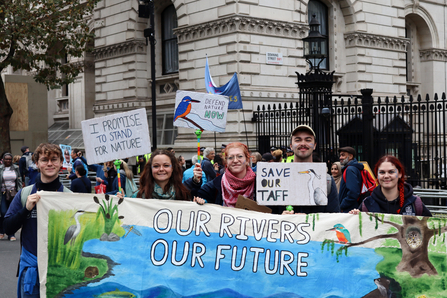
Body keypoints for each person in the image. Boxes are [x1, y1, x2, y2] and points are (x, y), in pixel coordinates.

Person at [4, 143, 72, 297]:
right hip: (31, 272)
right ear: (37, 164)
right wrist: (25, 209)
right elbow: (7, 228)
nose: (49, 164)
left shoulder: (69, 197)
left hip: (59, 271)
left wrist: (117, 202)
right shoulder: (25, 194)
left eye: (54, 159)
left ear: (61, 163)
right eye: (44, 160)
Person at [279, 125, 340, 215]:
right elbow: (263, 217)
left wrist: (310, 220)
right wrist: (280, 218)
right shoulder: (278, 178)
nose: (303, 143)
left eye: (308, 140)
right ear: (291, 146)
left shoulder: (327, 181)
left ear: (314, 145)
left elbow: (334, 218)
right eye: (298, 140)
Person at [349, 155, 432, 216]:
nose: (386, 176)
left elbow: (431, 230)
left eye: (391, 172)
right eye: (382, 172)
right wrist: (355, 217)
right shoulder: (367, 204)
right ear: (377, 175)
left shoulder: (415, 203)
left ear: (400, 174)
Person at [195, 142, 256, 207]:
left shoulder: (259, 183)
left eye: (240, 156)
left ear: (247, 160)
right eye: (230, 157)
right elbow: (196, 195)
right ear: (226, 161)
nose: (235, 160)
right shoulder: (216, 184)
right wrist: (195, 182)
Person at [134, 149, 203, 202]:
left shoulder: (183, 194)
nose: (161, 169)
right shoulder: (138, 196)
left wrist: (197, 205)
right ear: (150, 169)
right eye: (156, 166)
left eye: (166, 165)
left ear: (172, 168)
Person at [0, 153, 22, 241]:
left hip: (13, 193)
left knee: (12, 214)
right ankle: (2, 231)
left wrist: (20, 192)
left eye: (9, 159)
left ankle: (11, 234)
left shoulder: (16, 168)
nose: (8, 161)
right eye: (6, 159)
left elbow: (19, 180)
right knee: (3, 212)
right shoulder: (1, 169)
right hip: (3, 194)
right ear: (3, 160)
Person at [338, 146, 364, 212]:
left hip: (349, 209)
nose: (340, 157)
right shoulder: (353, 168)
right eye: (340, 155)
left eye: (343, 155)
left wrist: (342, 205)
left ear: (350, 156)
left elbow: (353, 192)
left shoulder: (350, 169)